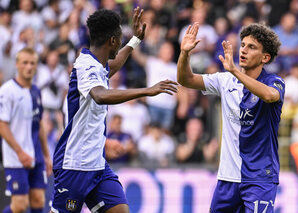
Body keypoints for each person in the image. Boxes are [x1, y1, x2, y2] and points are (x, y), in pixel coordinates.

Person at [50, 7, 177, 213]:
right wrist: (147, 90)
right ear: (112, 41)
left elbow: (113, 66)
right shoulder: (86, 66)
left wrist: (135, 40)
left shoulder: (98, 65)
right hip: (74, 165)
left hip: (97, 165)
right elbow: (99, 95)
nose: (120, 42)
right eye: (119, 38)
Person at [177, 22, 284, 212]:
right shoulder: (225, 81)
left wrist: (234, 70)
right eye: (243, 45)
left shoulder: (274, 82)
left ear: (265, 57)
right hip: (227, 178)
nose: (243, 50)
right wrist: (184, 53)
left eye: (252, 47)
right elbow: (185, 79)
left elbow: (269, 96)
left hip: (260, 179)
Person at [0, 47, 52, 213]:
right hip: (15, 157)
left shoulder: (36, 92)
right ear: (17, 65)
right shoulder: (7, 91)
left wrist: (46, 155)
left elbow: (39, 125)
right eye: (25, 63)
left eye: (32, 63)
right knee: (20, 205)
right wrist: (20, 152)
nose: (29, 67)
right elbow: (2, 125)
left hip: (36, 155)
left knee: (38, 200)